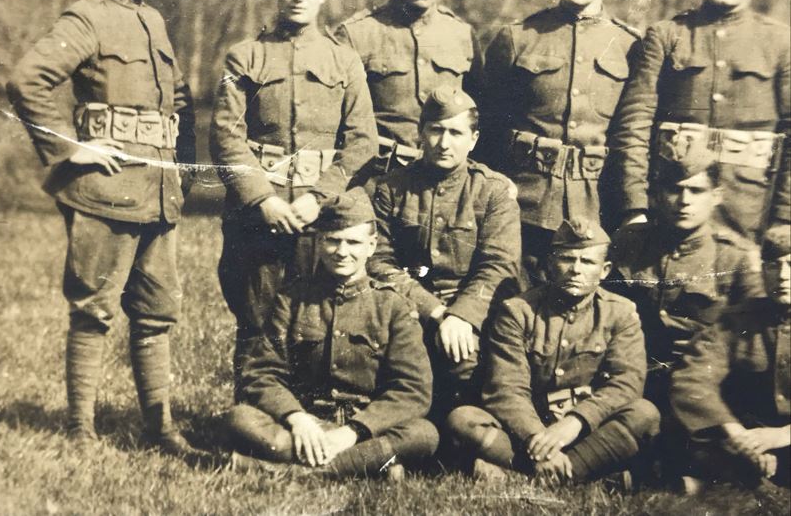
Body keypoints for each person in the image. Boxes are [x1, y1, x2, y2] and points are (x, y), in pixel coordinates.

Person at [7, 0, 196, 453]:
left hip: (158, 192)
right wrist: (71, 149)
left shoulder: (154, 19)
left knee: (157, 312)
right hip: (107, 189)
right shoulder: (87, 17)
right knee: (94, 309)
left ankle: (159, 429)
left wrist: (180, 171)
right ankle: (80, 431)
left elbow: (178, 98)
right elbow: (27, 82)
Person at [209, 0, 377, 394]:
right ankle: (251, 416)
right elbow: (226, 136)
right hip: (257, 218)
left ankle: (308, 417)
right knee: (257, 318)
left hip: (318, 218)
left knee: (315, 316)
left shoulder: (344, 61)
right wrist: (262, 200)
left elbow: (363, 141)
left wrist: (318, 199)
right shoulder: (246, 56)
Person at [225, 190, 438, 478]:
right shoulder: (293, 299)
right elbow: (262, 373)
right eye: (333, 241)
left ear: (372, 246)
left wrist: (353, 432)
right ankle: (366, 464)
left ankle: (293, 472)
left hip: (365, 429)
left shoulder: (393, 306)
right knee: (241, 417)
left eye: (353, 242)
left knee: (423, 433)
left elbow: (413, 390)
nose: (342, 252)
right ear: (319, 242)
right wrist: (298, 419)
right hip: (307, 424)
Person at [479, 0, 643, 287]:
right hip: (524, 206)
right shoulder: (518, 38)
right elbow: (487, 131)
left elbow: (635, 135)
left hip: (597, 209)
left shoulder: (632, 47)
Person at [611, 0, 790, 243]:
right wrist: (633, 204)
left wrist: (785, 216)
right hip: (672, 202)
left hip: (749, 208)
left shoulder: (780, 43)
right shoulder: (668, 36)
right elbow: (635, 125)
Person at [446, 217, 660, 485]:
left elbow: (626, 383)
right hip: (528, 433)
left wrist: (575, 422)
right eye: (567, 259)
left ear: (605, 271)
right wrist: (538, 438)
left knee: (645, 414)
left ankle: (529, 477)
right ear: (549, 264)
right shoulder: (517, 311)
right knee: (463, 419)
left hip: (585, 431)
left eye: (587, 262)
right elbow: (506, 389)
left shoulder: (620, 313)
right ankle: (581, 475)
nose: (575, 270)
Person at [369, 85, 521, 416]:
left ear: (474, 139)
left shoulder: (493, 191)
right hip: (410, 308)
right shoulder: (391, 188)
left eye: (455, 132)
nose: (444, 143)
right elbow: (379, 262)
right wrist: (436, 312)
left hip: (472, 314)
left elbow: (499, 266)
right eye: (435, 130)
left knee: (468, 370)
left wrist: (463, 316)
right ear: (420, 133)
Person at [608, 138, 762, 409]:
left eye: (696, 190)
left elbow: (754, 338)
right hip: (629, 376)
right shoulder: (630, 241)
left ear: (716, 196)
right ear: (656, 195)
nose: (684, 201)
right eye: (674, 190)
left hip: (700, 387)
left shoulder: (735, 256)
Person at [335, 0, 482, 180]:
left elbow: (480, 117)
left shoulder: (462, 35)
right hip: (376, 179)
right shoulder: (357, 35)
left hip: (442, 183)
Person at [671, 226, 790, 492]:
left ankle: (719, 485)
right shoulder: (737, 320)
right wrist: (737, 434)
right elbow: (693, 377)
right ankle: (741, 481)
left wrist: (781, 435)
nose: (783, 276)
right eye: (773, 265)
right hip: (745, 441)